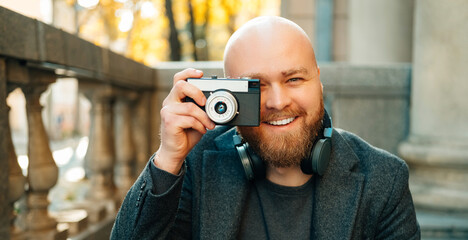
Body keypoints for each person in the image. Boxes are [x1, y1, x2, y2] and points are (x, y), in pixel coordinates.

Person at [111, 16, 420, 239]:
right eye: (256, 86)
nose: (277, 101)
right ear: (230, 96)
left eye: (294, 79)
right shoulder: (194, 166)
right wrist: (167, 160)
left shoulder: (384, 179)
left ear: (319, 82)